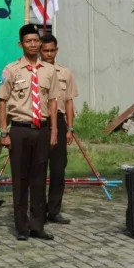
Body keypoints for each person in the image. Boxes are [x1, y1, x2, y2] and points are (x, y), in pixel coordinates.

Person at [0, 24, 61, 241]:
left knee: (40, 178)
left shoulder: (49, 70)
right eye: (28, 41)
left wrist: (54, 131)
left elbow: (53, 101)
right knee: (20, 179)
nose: (33, 44)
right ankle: (22, 227)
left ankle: (37, 225)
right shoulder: (11, 70)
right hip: (20, 130)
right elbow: (2, 102)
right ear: (21, 44)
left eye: (36, 40)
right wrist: (4, 132)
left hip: (41, 130)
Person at [40, 34, 79, 225]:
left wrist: (70, 128)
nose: (49, 54)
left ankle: (54, 211)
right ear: (40, 51)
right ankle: (38, 211)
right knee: (37, 168)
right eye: (45, 50)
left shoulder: (65, 73)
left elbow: (70, 101)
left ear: (57, 50)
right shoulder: (34, 71)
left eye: (52, 50)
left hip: (61, 122)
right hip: (40, 122)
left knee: (58, 170)